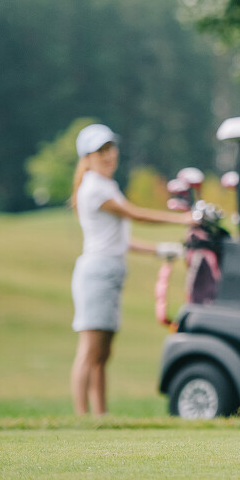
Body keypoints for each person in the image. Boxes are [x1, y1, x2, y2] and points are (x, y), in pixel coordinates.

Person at [70, 123, 190, 416]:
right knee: (89, 351)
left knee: (102, 354)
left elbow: (120, 241)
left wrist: (161, 249)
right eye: (101, 151)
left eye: (111, 148)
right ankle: (82, 415)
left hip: (110, 272)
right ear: (87, 157)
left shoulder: (106, 184)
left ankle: (100, 414)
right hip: (97, 274)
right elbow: (135, 214)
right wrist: (184, 220)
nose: (109, 155)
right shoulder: (95, 188)